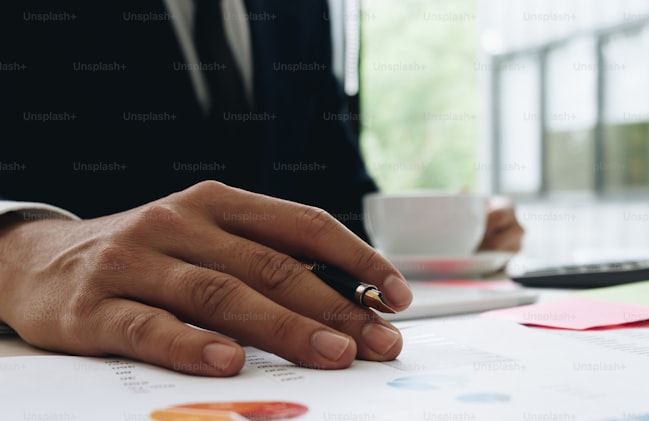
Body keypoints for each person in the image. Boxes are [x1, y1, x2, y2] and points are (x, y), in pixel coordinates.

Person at [0, 0, 523, 377]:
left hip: (264, 366)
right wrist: (15, 254)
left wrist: (446, 239)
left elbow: (334, 197)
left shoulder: (300, 11)